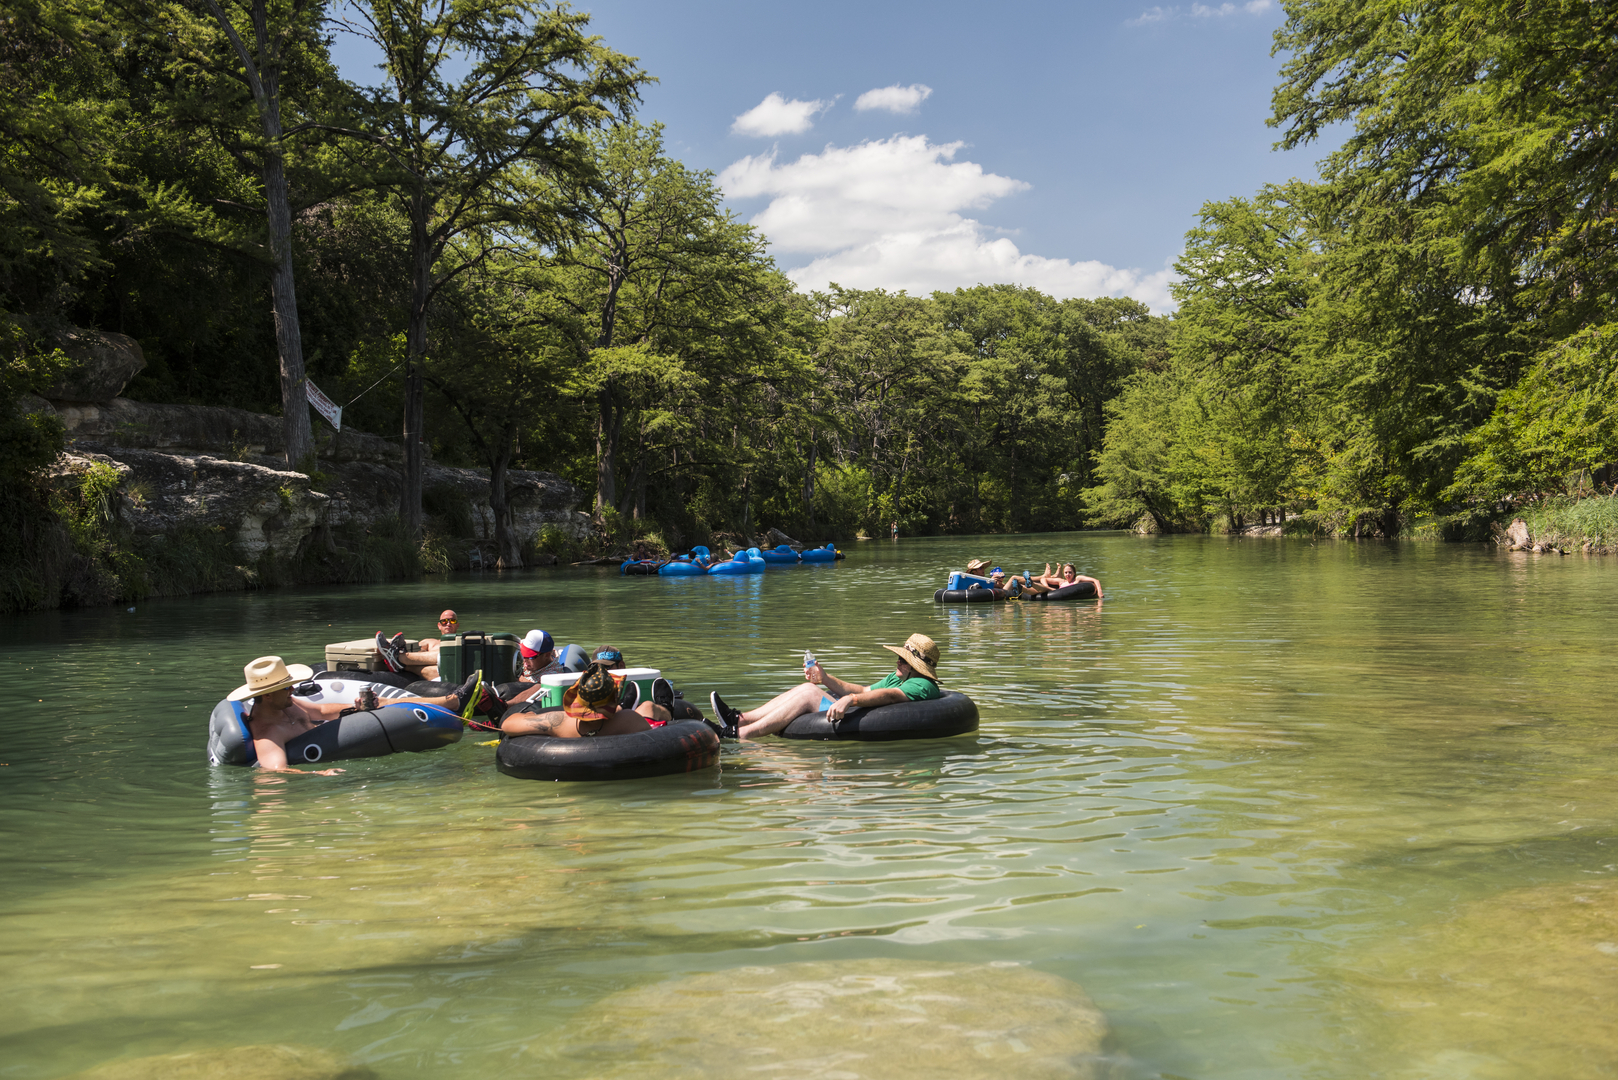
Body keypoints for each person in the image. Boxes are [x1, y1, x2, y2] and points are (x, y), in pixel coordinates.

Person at [230, 656, 493, 773]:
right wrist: (318, 775)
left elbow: (321, 709)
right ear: (267, 695)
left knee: (382, 702)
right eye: (285, 687)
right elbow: (275, 772)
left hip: (331, 731)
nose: (292, 690)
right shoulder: (267, 734)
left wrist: (354, 708)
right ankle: (454, 703)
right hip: (332, 751)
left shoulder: (288, 704)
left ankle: (453, 702)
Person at [709, 633, 942, 740]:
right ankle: (739, 719)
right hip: (857, 714)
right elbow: (864, 690)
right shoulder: (899, 676)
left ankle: (741, 735)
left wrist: (850, 700)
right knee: (807, 687)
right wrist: (825, 678)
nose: (897, 661)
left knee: (809, 694)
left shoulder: (922, 685)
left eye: (903, 659)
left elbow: (890, 697)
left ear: (916, 666)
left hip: (859, 720)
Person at [497, 661, 653, 738]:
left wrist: (530, 716)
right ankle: (661, 706)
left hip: (570, 733)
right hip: (619, 726)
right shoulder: (628, 719)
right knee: (648, 706)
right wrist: (619, 710)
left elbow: (507, 725)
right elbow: (652, 739)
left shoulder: (558, 721)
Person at [375, 609, 461, 678]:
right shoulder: (429, 642)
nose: (448, 624)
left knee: (446, 654)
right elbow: (417, 653)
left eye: (452, 621)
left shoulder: (462, 641)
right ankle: (397, 659)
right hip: (437, 670)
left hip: (452, 670)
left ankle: (396, 657)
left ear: (457, 625)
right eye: (445, 621)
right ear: (439, 625)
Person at [1031, 562, 1104, 598]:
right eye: (1066, 573)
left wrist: (1099, 591)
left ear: (1074, 573)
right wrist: (1047, 588)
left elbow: (1096, 580)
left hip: (1066, 600)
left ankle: (1030, 584)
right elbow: (1043, 579)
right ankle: (1025, 586)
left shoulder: (1077, 579)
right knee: (1035, 590)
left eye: (1070, 572)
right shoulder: (1062, 581)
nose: (1068, 574)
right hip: (1054, 594)